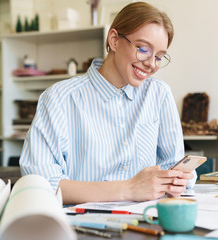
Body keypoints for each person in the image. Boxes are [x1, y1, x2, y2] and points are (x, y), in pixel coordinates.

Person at [19, 2, 196, 204]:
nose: (151, 63)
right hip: (82, 224)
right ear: (114, 40)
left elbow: (173, 165)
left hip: (146, 220)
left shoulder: (159, 94)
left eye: (159, 56)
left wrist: (178, 180)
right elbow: (41, 184)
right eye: (143, 49)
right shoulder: (59, 98)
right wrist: (129, 188)